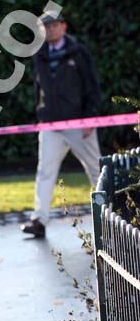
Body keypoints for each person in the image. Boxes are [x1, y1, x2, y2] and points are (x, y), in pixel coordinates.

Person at [21, 12, 101, 238]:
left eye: (55, 25)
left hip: (79, 124)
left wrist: (90, 117)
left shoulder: (79, 52)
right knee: (45, 172)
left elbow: (92, 86)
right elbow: (39, 88)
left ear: (64, 26)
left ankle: (108, 214)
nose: (51, 30)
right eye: (46, 27)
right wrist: (41, 114)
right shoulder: (40, 55)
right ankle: (39, 220)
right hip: (50, 125)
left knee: (96, 170)